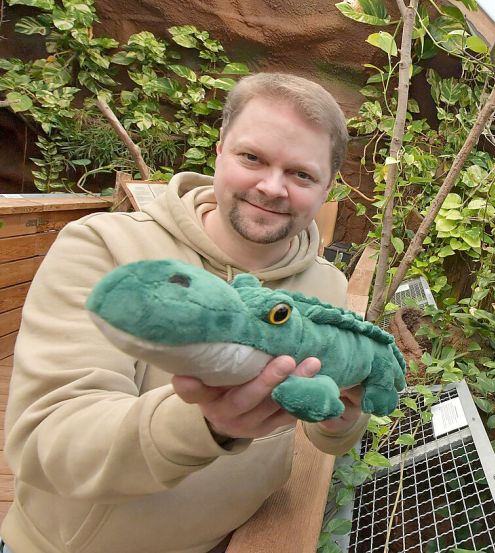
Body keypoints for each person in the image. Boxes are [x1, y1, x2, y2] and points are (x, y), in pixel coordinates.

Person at [1, 73, 369, 553]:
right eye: (252, 158)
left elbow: (329, 436)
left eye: (302, 174)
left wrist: (342, 421)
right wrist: (207, 423)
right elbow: (46, 442)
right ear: (219, 152)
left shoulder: (327, 285)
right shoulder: (106, 247)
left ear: (327, 187)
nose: (272, 187)